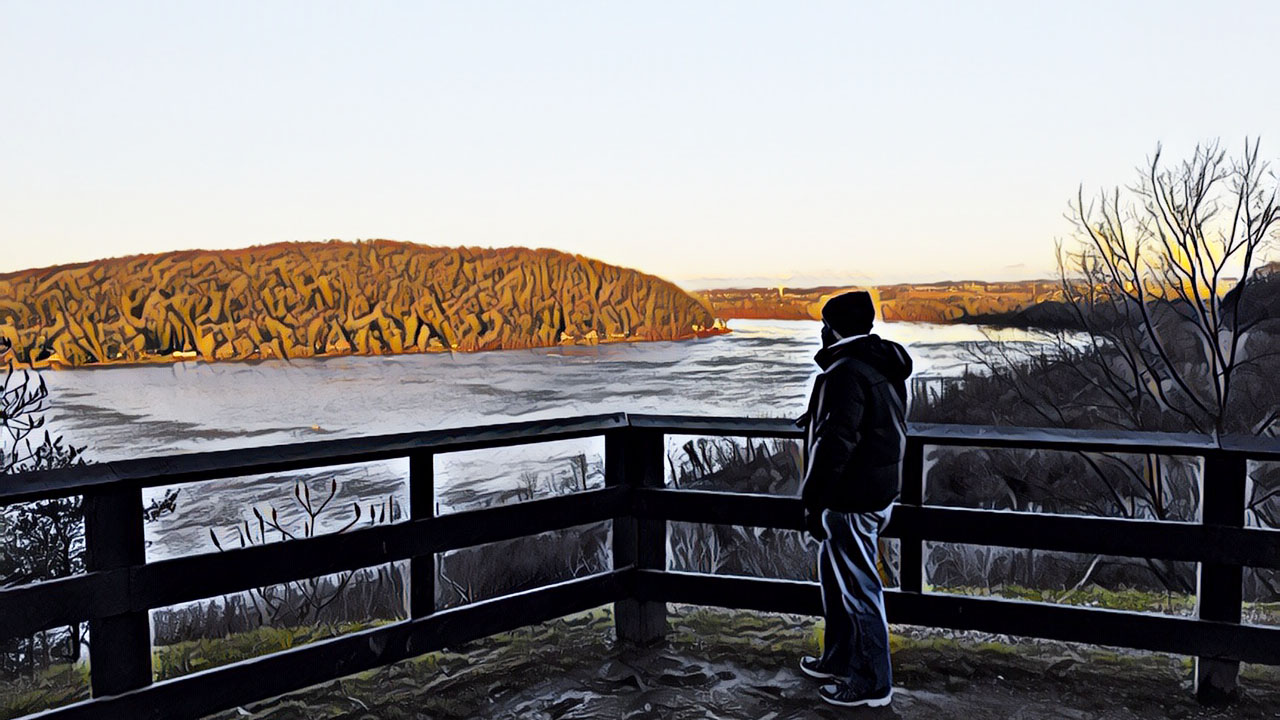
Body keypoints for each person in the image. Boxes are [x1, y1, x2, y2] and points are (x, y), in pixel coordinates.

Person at [794, 290, 912, 708]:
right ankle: (838, 658)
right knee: (837, 580)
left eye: (825, 326)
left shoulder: (843, 373)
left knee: (860, 590)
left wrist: (812, 501)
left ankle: (872, 682)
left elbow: (835, 443)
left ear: (833, 328)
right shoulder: (882, 365)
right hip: (879, 494)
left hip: (849, 500)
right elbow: (877, 423)